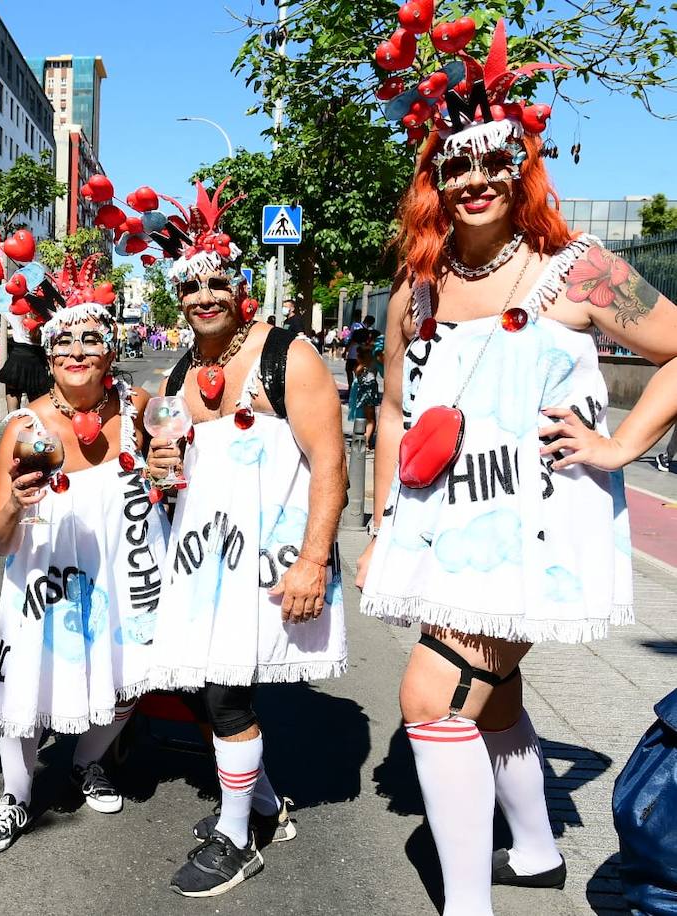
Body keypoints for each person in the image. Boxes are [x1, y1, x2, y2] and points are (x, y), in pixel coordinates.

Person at [357, 18, 677, 915]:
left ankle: (466, 907)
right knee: (490, 699)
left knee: (433, 697)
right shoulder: (417, 288)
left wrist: (619, 445)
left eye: (492, 161)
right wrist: (380, 530)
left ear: (520, 166)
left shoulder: (578, 271)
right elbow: (394, 412)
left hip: (535, 531)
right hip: (440, 527)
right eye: (453, 166)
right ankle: (534, 854)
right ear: (434, 180)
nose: (474, 180)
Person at [135, 177, 348, 898]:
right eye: (190, 286)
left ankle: (237, 839)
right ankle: (262, 803)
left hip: (267, 560)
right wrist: (161, 464)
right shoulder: (182, 371)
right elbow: (174, 467)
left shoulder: (288, 355)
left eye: (216, 282)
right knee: (197, 689)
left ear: (241, 287)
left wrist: (314, 561)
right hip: (202, 562)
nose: (203, 296)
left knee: (226, 697)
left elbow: (331, 464)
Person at [0, 274, 166, 855]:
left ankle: (88, 761)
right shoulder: (24, 429)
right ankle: (15, 794)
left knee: (130, 671)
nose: (77, 352)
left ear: (111, 349)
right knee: (26, 685)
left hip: (123, 572)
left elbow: (172, 466)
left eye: (90, 339)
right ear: (48, 354)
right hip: (44, 580)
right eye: (64, 342)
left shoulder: (137, 408)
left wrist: (165, 469)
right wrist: (16, 504)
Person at [348, 334, 383, 446]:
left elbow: (357, 372)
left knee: (363, 416)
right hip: (370, 389)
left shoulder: (360, 366)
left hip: (363, 390)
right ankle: (367, 440)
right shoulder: (374, 359)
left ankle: (363, 440)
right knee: (371, 418)